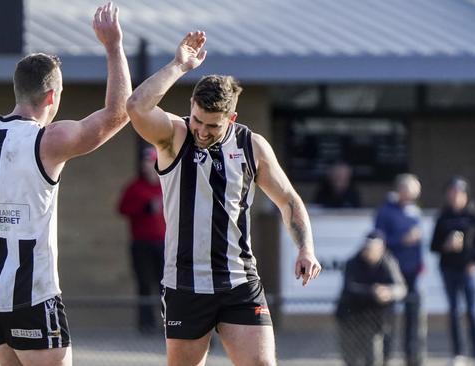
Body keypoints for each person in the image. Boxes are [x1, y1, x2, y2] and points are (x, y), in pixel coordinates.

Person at [0, 3, 131, 366]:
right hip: (31, 295)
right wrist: (114, 46)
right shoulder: (47, 140)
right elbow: (117, 114)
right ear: (52, 96)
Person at [126, 31, 321, 366]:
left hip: (239, 281)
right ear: (191, 106)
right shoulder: (174, 136)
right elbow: (135, 107)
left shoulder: (251, 146)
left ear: (231, 118)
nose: (201, 131)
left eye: (212, 126)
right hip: (185, 283)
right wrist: (178, 65)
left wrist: (306, 247)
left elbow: (288, 199)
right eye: (198, 119)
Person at [430, 177, 475, 366]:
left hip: (467, 270)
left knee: (472, 311)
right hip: (448, 269)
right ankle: (458, 354)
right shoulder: (443, 216)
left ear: (465, 195)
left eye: (459, 193)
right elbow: (434, 246)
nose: (455, 197)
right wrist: (446, 246)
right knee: (454, 311)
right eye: (452, 193)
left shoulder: (473, 215)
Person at [374, 173, 426, 366]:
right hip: (391, 272)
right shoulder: (385, 211)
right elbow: (379, 241)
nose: (415, 194)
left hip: (412, 272)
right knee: (388, 318)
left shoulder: (414, 210)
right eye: (412, 190)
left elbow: (419, 241)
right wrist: (401, 240)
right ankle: (384, 357)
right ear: (402, 189)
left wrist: (421, 263)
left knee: (413, 317)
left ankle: (412, 358)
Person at [335, 230, 406, 366]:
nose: (368, 252)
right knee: (351, 359)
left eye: (373, 249)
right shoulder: (353, 262)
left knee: (374, 358)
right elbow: (350, 288)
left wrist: (389, 293)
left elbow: (401, 288)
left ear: (381, 249)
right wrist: (373, 292)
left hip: (374, 320)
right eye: (367, 248)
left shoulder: (388, 262)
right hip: (350, 317)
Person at [118, 146, 165, 334]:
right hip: (142, 244)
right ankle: (146, 324)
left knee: (166, 285)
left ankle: (168, 322)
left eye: (151, 162)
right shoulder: (135, 187)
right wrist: (144, 208)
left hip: (164, 244)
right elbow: (122, 209)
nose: (148, 166)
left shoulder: (165, 185)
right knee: (145, 284)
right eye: (145, 162)